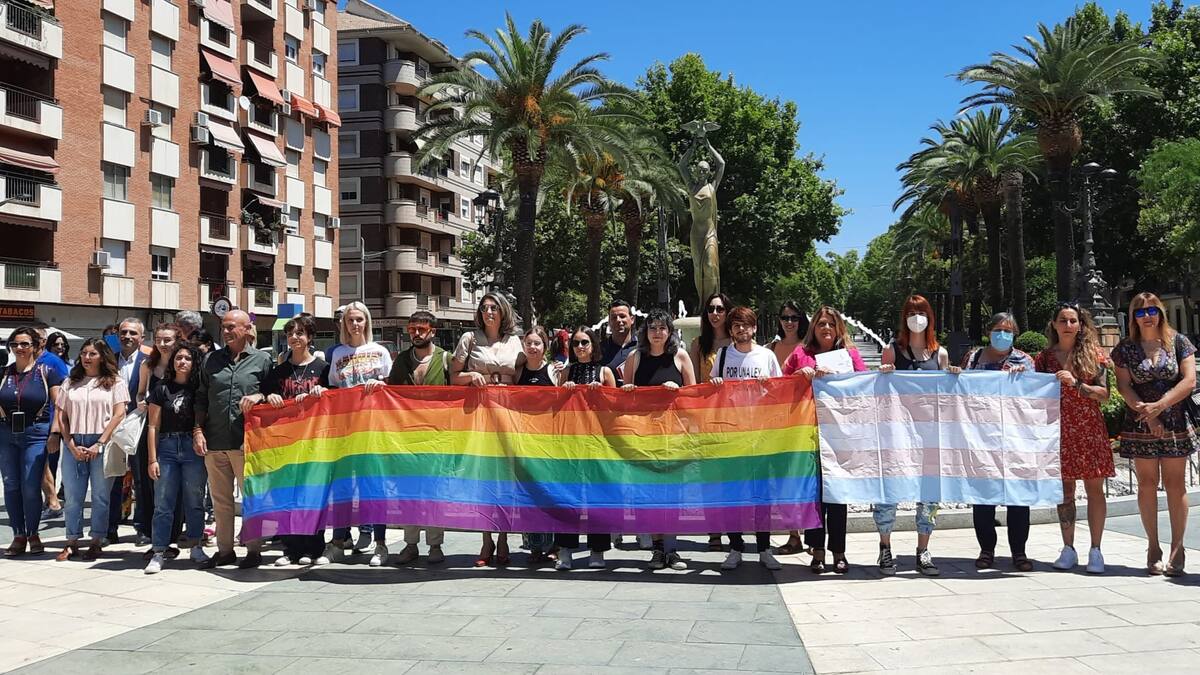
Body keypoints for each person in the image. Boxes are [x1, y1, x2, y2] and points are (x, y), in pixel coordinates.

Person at [1112, 292, 1198, 576]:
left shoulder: (1179, 342)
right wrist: (1149, 416)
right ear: (1133, 317)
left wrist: (1160, 406)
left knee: (1175, 485)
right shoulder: (1125, 348)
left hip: (1174, 421)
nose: (1147, 316)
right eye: (1140, 312)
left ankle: (1177, 547)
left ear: (1160, 313)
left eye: (1152, 310)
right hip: (1141, 422)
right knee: (1147, 484)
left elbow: (1189, 380)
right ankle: (1152, 546)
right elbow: (1124, 386)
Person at [783, 305, 867, 574]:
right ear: (813, 328)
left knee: (838, 494)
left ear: (839, 327)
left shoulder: (850, 355)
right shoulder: (801, 354)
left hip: (840, 435)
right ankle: (816, 549)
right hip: (809, 434)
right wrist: (800, 376)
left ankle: (839, 551)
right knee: (815, 495)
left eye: (831, 323)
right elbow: (781, 385)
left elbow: (865, 385)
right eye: (821, 324)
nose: (826, 328)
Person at [874, 294, 953, 577]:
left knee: (929, 495)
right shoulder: (892, 350)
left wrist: (954, 376)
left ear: (930, 317)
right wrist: (883, 374)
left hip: (930, 435)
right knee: (888, 492)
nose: (916, 318)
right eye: (911, 313)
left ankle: (923, 549)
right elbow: (881, 392)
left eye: (921, 312)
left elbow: (947, 396)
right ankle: (885, 546)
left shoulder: (940, 354)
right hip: (897, 435)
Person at [1036, 303, 1113, 575]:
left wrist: (1076, 384)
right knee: (1065, 492)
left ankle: (1096, 549)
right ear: (1054, 325)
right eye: (1063, 320)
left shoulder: (1094, 355)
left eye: (1073, 320)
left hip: (1089, 429)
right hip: (1058, 432)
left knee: (1094, 490)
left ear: (1080, 325)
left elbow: (1105, 394)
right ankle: (1068, 547)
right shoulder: (1044, 359)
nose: (1068, 325)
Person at [193, 309, 273, 569]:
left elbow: (273, 394)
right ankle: (225, 551)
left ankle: (253, 550)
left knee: (251, 499)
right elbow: (201, 398)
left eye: (231, 327)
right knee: (221, 501)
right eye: (223, 327)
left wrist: (259, 397)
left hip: (246, 442)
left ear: (247, 329)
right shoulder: (211, 360)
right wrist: (197, 430)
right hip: (215, 441)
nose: (225, 331)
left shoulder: (262, 360)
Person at [621, 308, 697, 570]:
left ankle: (672, 550)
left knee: (672, 494)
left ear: (670, 332)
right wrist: (628, 391)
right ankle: (657, 549)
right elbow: (624, 398)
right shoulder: (635, 357)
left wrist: (678, 391)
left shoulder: (680, 356)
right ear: (645, 332)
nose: (657, 333)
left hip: (673, 436)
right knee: (649, 494)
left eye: (662, 328)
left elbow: (694, 397)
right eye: (652, 327)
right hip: (644, 436)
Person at [709, 306, 784, 571]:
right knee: (732, 493)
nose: (741, 329)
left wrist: (768, 386)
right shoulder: (722, 355)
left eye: (746, 325)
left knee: (762, 494)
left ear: (754, 328)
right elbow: (712, 391)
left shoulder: (766, 356)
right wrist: (715, 384)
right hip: (731, 434)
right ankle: (735, 547)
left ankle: (764, 548)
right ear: (731, 330)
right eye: (736, 325)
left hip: (760, 435)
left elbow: (781, 392)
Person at [452, 293, 524, 567]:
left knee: (504, 478)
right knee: (483, 477)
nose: (489, 312)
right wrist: (471, 376)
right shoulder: (469, 338)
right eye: (484, 308)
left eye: (494, 308)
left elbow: (524, 375)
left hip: (507, 413)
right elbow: (453, 377)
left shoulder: (515, 341)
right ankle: (486, 539)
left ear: (503, 311)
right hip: (479, 413)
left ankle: (504, 538)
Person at [961, 312, 1036, 572]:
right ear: (988, 331)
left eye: (1008, 331)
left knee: (1018, 498)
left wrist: (1024, 379)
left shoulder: (1025, 361)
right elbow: (962, 392)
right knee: (983, 499)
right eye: (998, 330)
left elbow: (1035, 397)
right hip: (981, 440)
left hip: (1015, 440)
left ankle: (1019, 552)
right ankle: (986, 550)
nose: (1002, 335)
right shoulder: (973, 358)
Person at [322, 302, 393, 566]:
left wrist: (381, 384)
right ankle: (337, 542)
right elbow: (332, 390)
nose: (354, 324)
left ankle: (380, 544)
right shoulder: (338, 354)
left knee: (373, 487)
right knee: (342, 488)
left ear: (367, 322)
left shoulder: (380, 352)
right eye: (350, 320)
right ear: (344, 324)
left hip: (374, 430)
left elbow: (393, 391)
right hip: (345, 431)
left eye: (359, 320)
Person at [262, 315, 330, 567]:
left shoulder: (323, 368)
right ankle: (291, 548)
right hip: (286, 442)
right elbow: (265, 396)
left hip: (315, 442)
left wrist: (324, 392)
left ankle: (313, 547)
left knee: (313, 495)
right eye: (290, 333)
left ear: (310, 337)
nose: (294, 337)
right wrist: (269, 397)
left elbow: (336, 398)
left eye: (300, 333)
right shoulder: (278, 371)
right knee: (287, 495)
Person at [54, 338, 128, 561]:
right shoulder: (70, 382)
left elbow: (119, 414)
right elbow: (61, 415)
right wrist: (70, 443)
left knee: (101, 496)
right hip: (75, 440)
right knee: (73, 496)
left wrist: (100, 442)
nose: (87, 357)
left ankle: (96, 540)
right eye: (84, 353)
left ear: (102, 357)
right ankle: (71, 541)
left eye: (92, 354)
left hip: (102, 441)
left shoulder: (115, 382)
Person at [387, 310, 448, 566]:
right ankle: (410, 544)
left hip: (437, 437)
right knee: (408, 492)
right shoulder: (402, 360)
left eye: (421, 329)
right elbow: (390, 393)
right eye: (412, 329)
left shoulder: (446, 359)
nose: (416, 334)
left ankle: (435, 545)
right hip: (407, 437)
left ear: (432, 331)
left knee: (434, 493)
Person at [554, 325, 616, 570]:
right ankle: (565, 550)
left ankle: (597, 550)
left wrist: (602, 394)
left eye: (585, 342)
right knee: (567, 497)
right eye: (576, 343)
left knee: (597, 497)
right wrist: (564, 392)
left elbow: (616, 407)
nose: (580, 347)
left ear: (593, 345)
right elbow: (556, 407)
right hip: (570, 442)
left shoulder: (605, 372)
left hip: (597, 442)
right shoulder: (566, 371)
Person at [144, 343, 210, 573]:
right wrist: (152, 459)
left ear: (194, 363)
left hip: (193, 447)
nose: (182, 362)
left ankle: (196, 545)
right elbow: (153, 426)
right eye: (178, 358)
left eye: (187, 358)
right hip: (167, 446)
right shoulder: (161, 388)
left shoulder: (199, 389)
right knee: (163, 502)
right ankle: (159, 551)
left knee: (195, 500)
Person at [1, 327, 64, 555]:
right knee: (11, 485)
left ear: (36, 346)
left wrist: (55, 433)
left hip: (36, 432)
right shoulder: (4, 373)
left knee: (30, 484)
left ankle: (33, 533)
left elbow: (59, 405)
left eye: (25, 344)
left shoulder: (47, 372)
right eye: (15, 344)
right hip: (6, 432)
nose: (19, 348)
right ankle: (19, 535)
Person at [134, 323, 185, 552]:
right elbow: (139, 392)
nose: (162, 344)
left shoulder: (184, 364)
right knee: (149, 483)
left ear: (177, 341)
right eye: (159, 340)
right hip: (152, 430)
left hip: (178, 430)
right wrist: (141, 402)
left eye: (168, 340)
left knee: (177, 485)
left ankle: (173, 534)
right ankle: (151, 533)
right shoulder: (147, 365)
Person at [688, 291, 732, 551]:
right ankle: (714, 531)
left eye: (720, 309)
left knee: (732, 475)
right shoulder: (698, 344)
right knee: (710, 477)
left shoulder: (737, 341)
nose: (715, 314)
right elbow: (693, 383)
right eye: (711, 309)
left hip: (734, 416)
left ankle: (735, 528)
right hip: (708, 417)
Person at [513, 325, 558, 566]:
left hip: (547, 442)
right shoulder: (518, 371)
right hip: (524, 441)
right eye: (529, 343)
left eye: (537, 343)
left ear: (545, 347)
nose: (532, 347)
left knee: (548, 493)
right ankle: (533, 545)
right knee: (528, 495)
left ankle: (553, 545)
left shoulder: (554, 371)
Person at [108, 318, 149, 545]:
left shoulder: (148, 362)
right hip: (112, 427)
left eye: (133, 333)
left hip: (138, 426)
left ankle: (142, 528)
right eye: (123, 332)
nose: (127, 337)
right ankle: (109, 528)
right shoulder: (108, 361)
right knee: (112, 477)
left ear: (142, 338)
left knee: (141, 480)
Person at [599, 300, 638, 386]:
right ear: (609, 322)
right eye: (614, 317)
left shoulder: (643, 347)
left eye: (622, 316)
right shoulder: (599, 350)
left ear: (632, 319)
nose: (618, 320)